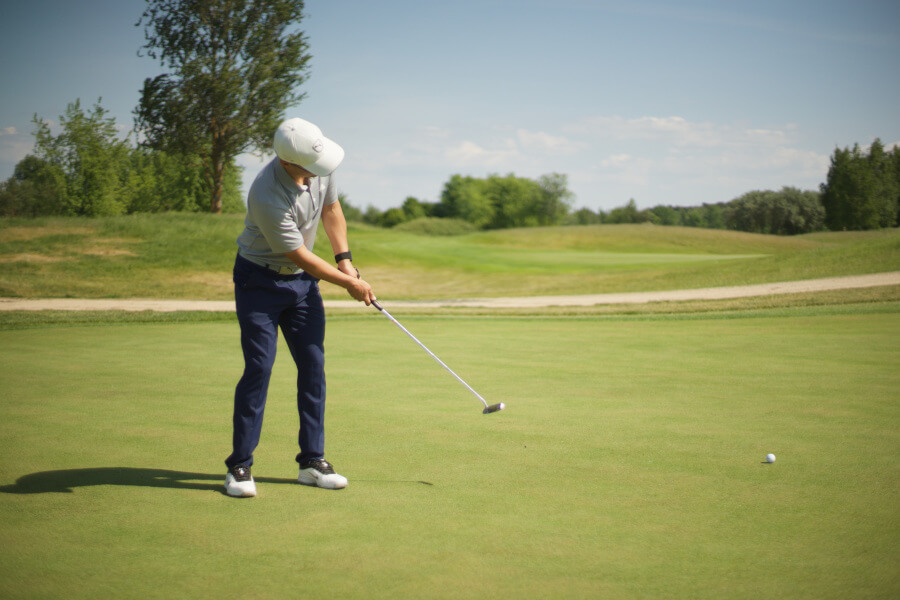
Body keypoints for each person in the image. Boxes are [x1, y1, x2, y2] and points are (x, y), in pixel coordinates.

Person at [224, 117, 376, 498]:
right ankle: (239, 467)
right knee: (259, 368)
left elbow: (331, 210)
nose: (319, 171)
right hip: (259, 282)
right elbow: (301, 256)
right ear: (288, 162)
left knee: (313, 366)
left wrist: (345, 261)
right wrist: (349, 284)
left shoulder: (320, 165)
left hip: (302, 286)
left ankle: (312, 461)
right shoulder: (266, 194)